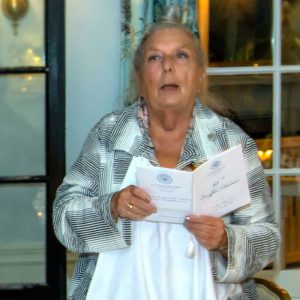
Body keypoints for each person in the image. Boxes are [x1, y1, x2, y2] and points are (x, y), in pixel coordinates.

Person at [53, 19, 280, 300]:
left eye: (181, 55)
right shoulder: (109, 136)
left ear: (199, 74)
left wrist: (226, 240)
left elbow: (267, 238)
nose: (168, 66)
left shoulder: (231, 143)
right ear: (139, 76)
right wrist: (111, 206)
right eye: (155, 57)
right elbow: (63, 218)